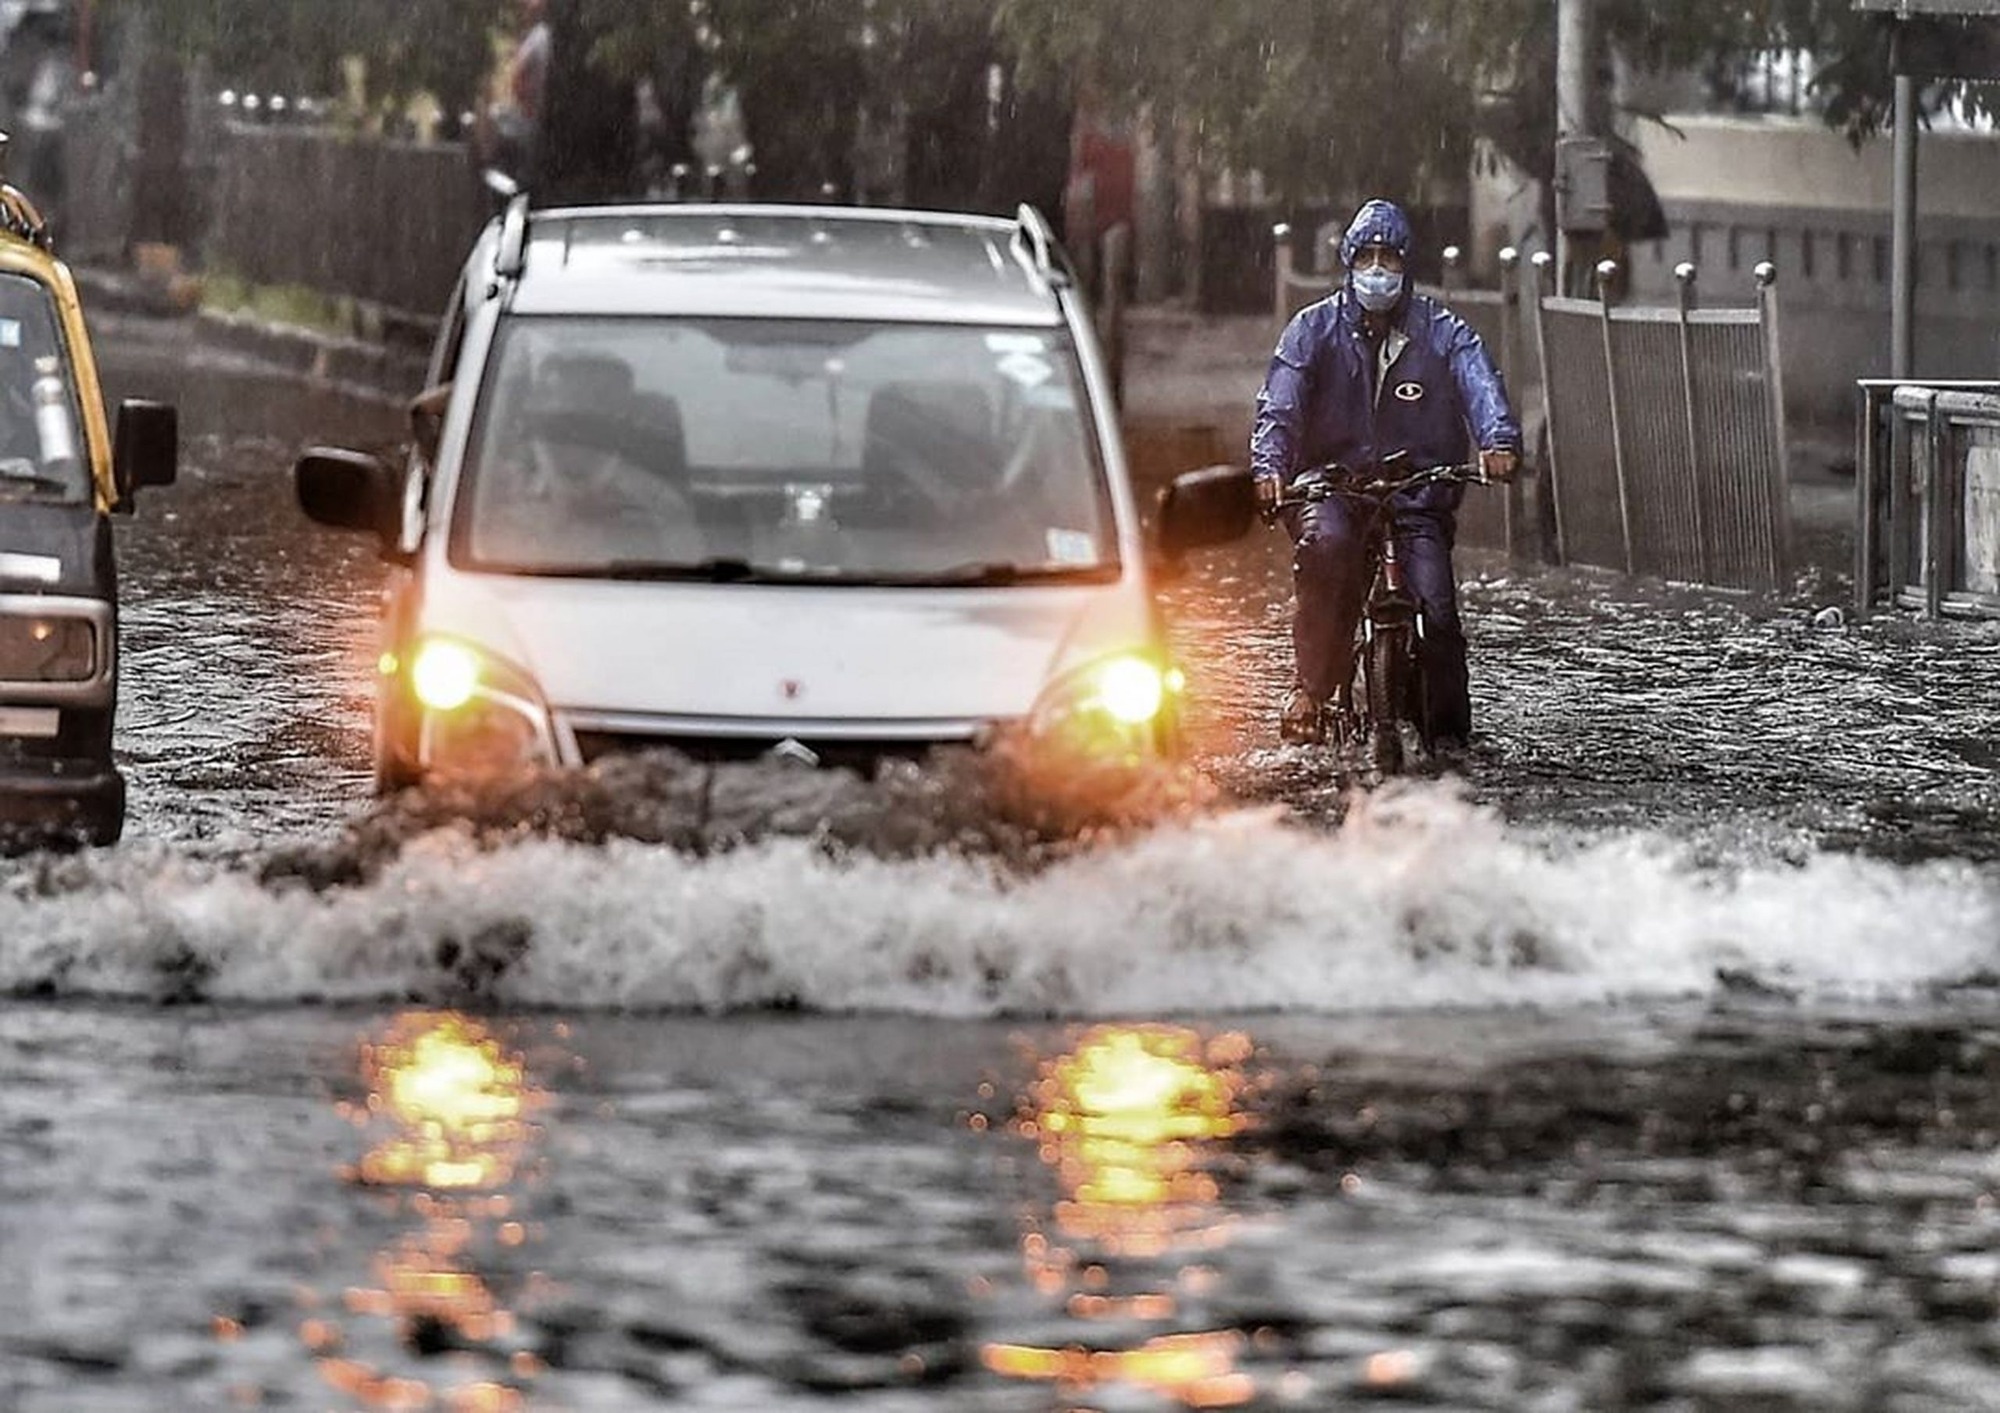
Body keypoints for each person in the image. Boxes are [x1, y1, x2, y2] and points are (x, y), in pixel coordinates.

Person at [1251, 198, 1520, 750]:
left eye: (1390, 259)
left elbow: (1479, 381)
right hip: (1331, 488)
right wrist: (1271, 467)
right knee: (1326, 551)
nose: (1377, 270)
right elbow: (1280, 405)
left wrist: (1498, 441)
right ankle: (1311, 689)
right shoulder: (1312, 330)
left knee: (1438, 612)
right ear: (1349, 263)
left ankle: (1451, 740)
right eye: (1367, 258)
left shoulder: (1442, 331)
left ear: (1407, 266)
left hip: (1417, 492)